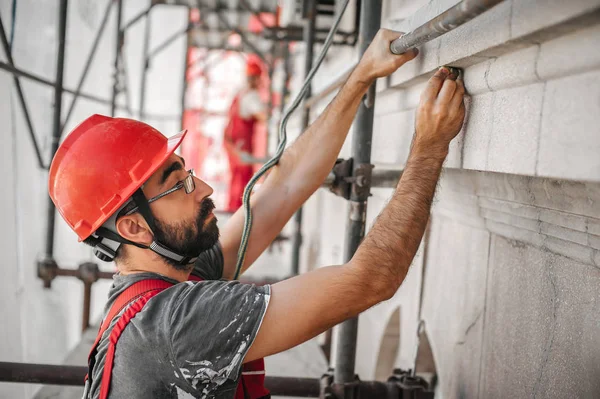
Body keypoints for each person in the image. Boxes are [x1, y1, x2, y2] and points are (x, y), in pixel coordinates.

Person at [48, 29, 465, 399]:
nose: (206, 189)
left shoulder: (167, 283)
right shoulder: (176, 325)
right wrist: (429, 147)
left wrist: (360, 77)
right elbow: (370, 281)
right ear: (134, 226)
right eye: (180, 184)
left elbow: (282, 188)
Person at [223, 57, 267, 212]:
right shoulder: (250, 96)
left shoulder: (240, 94)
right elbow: (264, 116)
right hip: (240, 146)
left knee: (236, 180)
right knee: (242, 182)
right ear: (256, 78)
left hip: (232, 143)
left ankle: (233, 214)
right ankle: (238, 217)